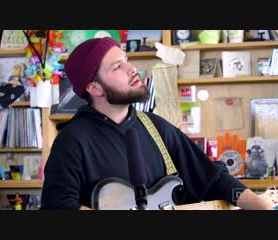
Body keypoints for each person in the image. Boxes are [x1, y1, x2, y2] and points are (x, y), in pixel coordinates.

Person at [40, 37, 273, 210]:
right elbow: (58, 207)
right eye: (117, 66)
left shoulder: (156, 127)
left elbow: (213, 178)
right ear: (94, 88)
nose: (132, 69)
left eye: (126, 60)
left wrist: (261, 206)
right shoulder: (72, 141)